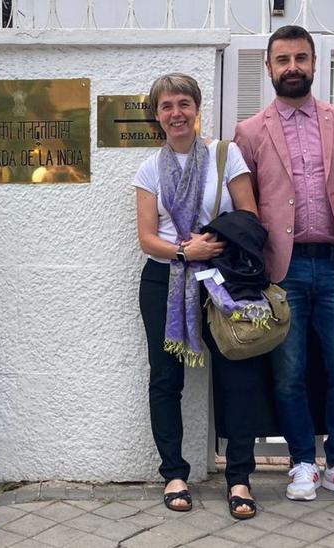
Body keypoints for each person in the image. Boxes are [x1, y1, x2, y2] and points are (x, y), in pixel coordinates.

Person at [234, 25, 334, 504]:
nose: (292, 67)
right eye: (283, 59)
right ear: (268, 67)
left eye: (300, 58)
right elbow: (246, 205)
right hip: (283, 270)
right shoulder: (250, 131)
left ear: (315, 64)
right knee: (289, 372)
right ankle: (301, 462)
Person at [134, 72, 263, 520]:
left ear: (197, 108)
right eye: (167, 106)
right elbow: (147, 239)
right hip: (165, 281)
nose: (176, 113)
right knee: (165, 380)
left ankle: (240, 478)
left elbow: (249, 217)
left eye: (184, 104)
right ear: (157, 115)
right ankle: (173, 473)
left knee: (236, 378)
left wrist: (212, 244)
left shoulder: (226, 156)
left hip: (222, 282)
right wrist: (187, 250)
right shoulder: (150, 168)